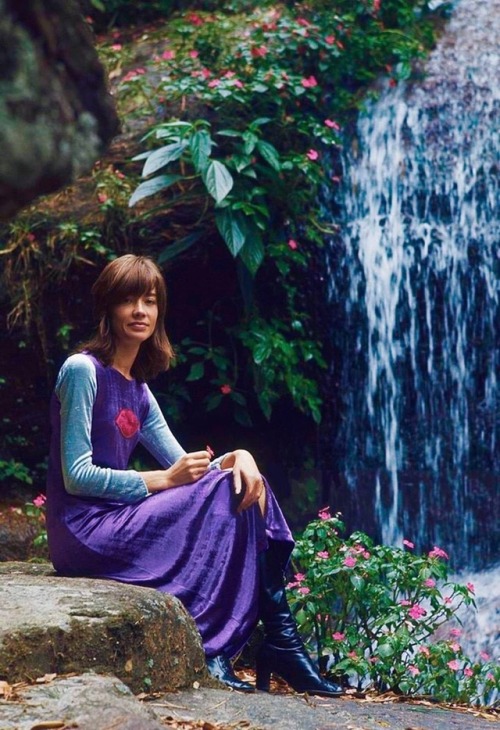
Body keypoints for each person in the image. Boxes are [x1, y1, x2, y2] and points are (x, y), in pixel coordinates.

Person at [46, 254, 343, 697]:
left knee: (237, 482)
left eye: (149, 301)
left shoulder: (138, 389)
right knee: (224, 489)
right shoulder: (82, 370)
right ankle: (255, 644)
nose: (140, 311)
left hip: (119, 518)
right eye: (129, 300)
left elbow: (189, 465)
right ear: (108, 307)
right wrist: (162, 479)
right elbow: (76, 476)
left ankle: (272, 641)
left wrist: (240, 456)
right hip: (84, 531)